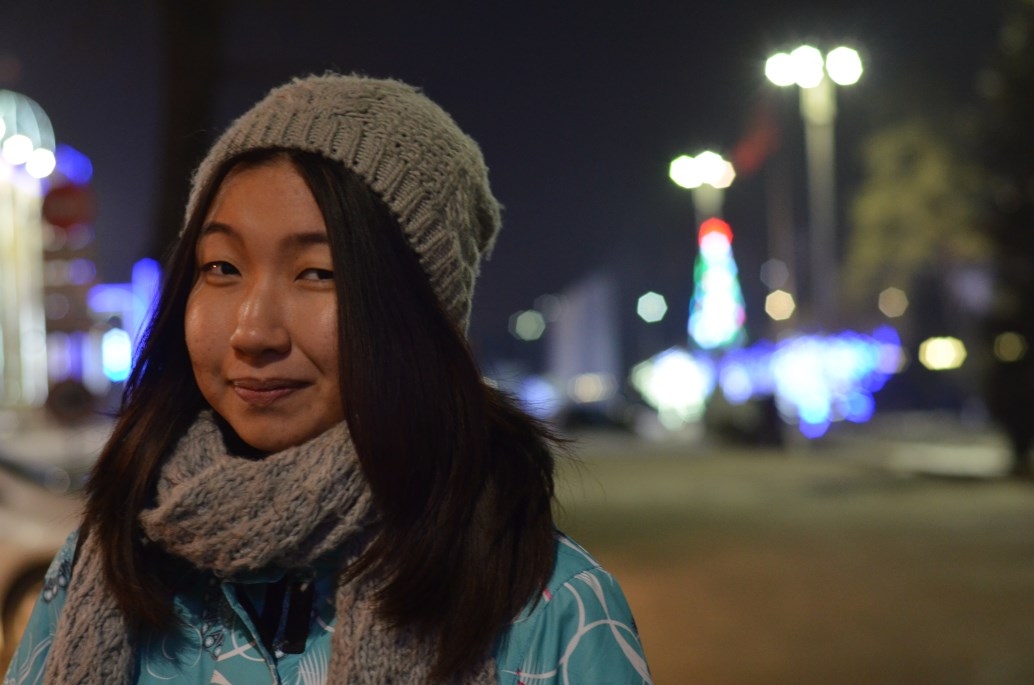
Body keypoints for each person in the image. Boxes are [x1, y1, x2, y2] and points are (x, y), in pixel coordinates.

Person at [4, 74, 651, 684]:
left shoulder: (549, 608)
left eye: (318, 273)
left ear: (422, 314)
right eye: (222, 267)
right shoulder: (103, 566)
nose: (253, 330)